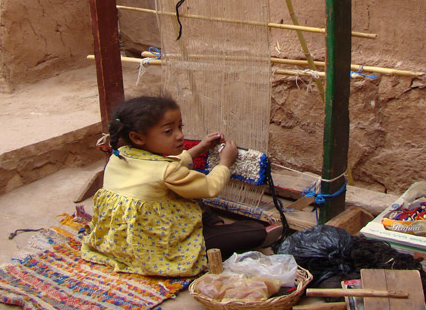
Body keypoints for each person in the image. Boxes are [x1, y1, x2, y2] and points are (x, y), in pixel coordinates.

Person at [81, 95, 281, 277]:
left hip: (122, 240)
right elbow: (210, 187)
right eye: (169, 131)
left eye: (180, 127)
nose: (179, 135)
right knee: (254, 231)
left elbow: (167, 165)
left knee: (191, 199)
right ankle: (223, 232)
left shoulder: (120, 155)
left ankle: (213, 227)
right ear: (138, 137)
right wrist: (225, 163)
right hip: (157, 245)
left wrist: (200, 148)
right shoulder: (167, 172)